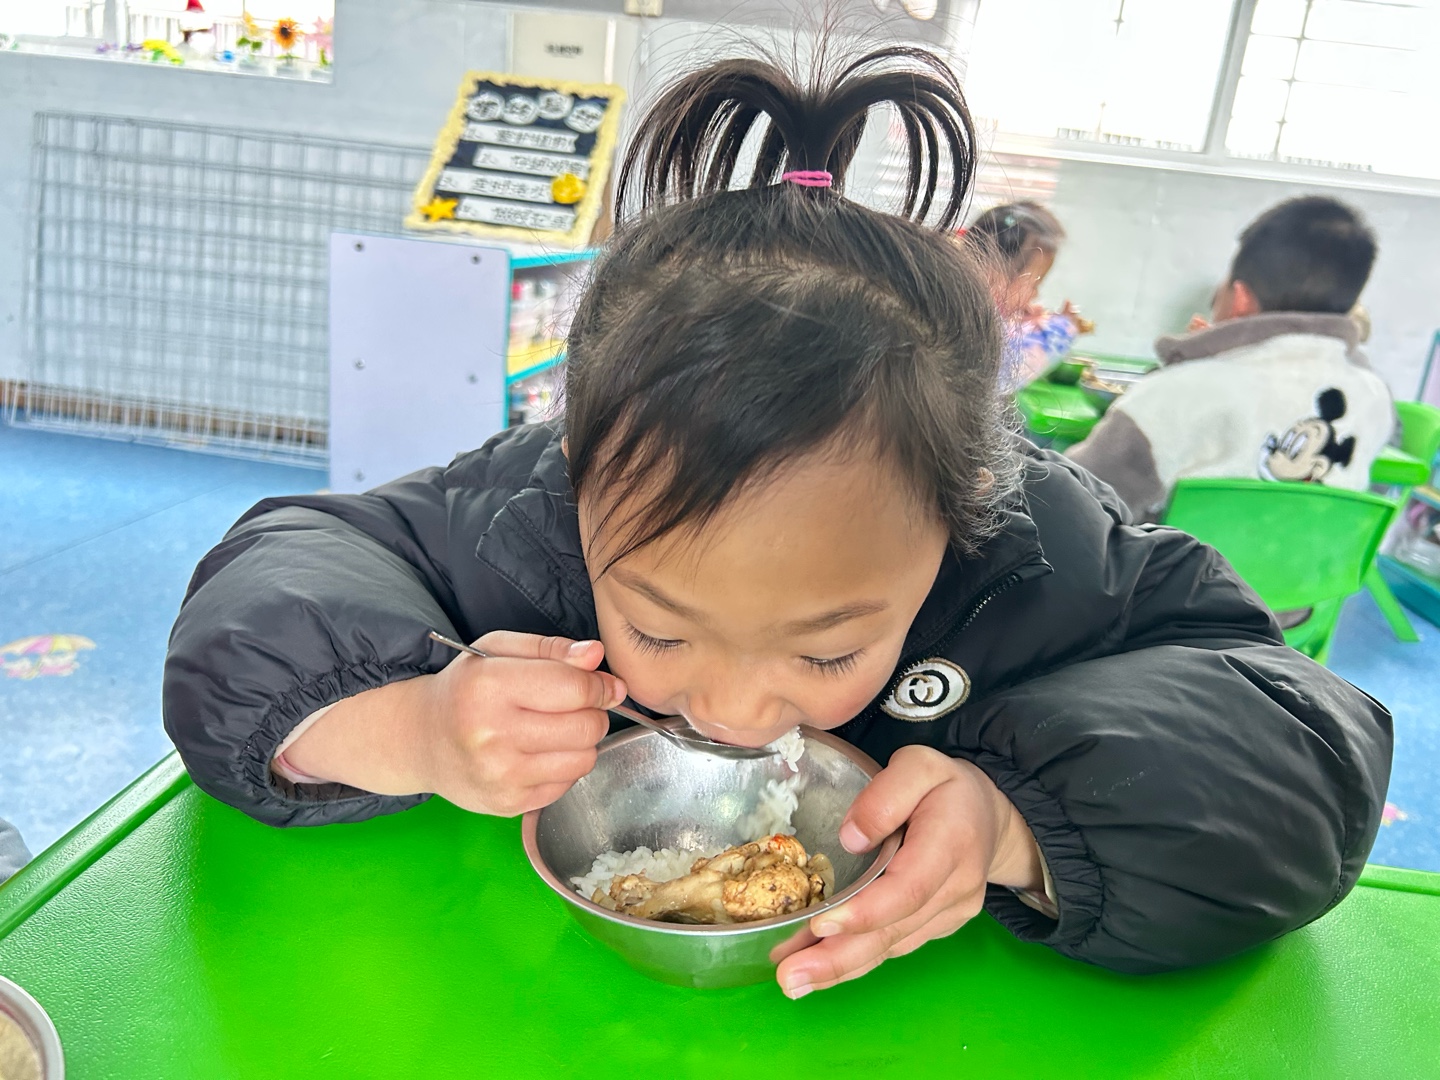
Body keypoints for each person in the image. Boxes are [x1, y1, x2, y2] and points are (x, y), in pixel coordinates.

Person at [163, 49, 1390, 993]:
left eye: (826, 649)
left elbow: (1308, 757)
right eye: (659, 628)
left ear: (961, 518)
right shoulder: (529, 519)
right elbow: (269, 588)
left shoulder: (1035, 548)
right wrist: (413, 726)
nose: (741, 711)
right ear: (579, 480)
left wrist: (1018, 828)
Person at [1068, 196, 1393, 520]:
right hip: (1308, 556)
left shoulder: (1177, 393)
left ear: (1240, 300)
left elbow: (1070, 504)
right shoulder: (1374, 398)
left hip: (1178, 556)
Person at [961, 201, 1091, 389]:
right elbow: (1010, 373)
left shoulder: (964, 306)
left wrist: (1024, 325)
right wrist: (1063, 329)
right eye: (1034, 284)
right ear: (992, 275)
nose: (1035, 295)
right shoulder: (969, 323)